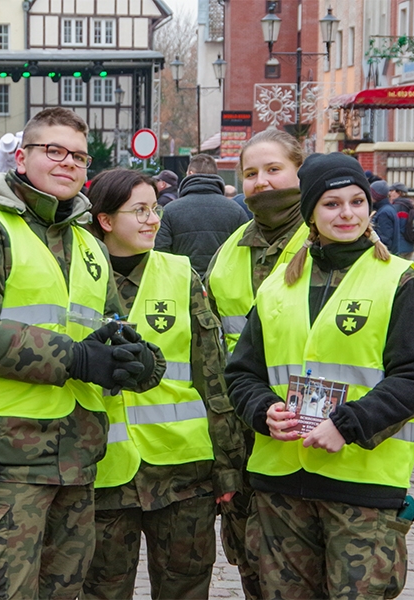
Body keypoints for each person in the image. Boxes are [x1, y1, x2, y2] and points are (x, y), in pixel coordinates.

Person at [0, 107, 165, 600]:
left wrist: (140, 361)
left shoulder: (86, 242)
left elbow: (113, 328)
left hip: (76, 453)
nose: (67, 163)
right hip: (2, 452)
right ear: (21, 157)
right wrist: (76, 359)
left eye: (78, 155)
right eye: (52, 151)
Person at [226, 152, 414, 599]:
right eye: (331, 204)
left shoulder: (399, 280)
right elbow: (242, 373)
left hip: (362, 485)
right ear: (310, 214)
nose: (347, 214)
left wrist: (348, 425)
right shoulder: (277, 285)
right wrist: (264, 411)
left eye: (357, 202)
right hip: (280, 482)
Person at [82, 169, 244, 600]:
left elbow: (212, 374)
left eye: (155, 209)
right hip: (103, 473)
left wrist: (227, 466)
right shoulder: (79, 277)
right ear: (105, 220)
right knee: (102, 590)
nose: (153, 219)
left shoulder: (180, 273)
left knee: (185, 588)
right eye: (139, 211)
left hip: (183, 471)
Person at [203, 127, 306, 600]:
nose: (261, 182)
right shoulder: (230, 250)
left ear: (300, 172)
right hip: (242, 439)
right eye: (250, 173)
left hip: (306, 436)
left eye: (273, 170)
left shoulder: (329, 237)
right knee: (250, 560)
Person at [155, 154, 249, 278]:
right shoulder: (236, 211)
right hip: (223, 287)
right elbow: (245, 255)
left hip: (182, 285)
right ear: (216, 175)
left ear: (190, 173)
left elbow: (160, 254)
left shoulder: (169, 210)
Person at [370, 180, 400, 255]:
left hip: (384, 254)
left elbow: (385, 239)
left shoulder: (384, 213)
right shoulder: (388, 209)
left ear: (376, 196)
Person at [388, 183, 414, 259]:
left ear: (399, 193)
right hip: (409, 244)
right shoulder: (409, 205)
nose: (389, 193)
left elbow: (399, 227)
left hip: (400, 245)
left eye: (391, 191)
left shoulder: (398, 207)